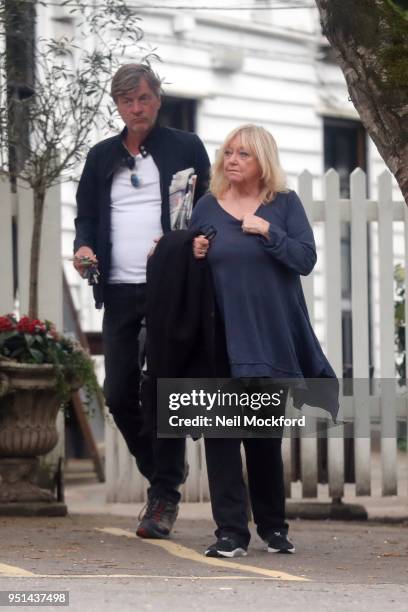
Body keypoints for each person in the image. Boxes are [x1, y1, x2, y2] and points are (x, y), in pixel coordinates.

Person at [73, 63, 210, 539]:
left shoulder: (186, 147)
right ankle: (163, 478)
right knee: (118, 392)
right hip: (119, 290)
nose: (136, 109)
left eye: (144, 99)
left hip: (170, 286)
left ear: (158, 99)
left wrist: (197, 244)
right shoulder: (101, 156)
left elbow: (205, 207)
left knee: (163, 390)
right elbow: (87, 218)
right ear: (118, 106)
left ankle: (162, 499)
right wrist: (84, 249)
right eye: (127, 101)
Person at [190, 124, 338, 558]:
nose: (232, 160)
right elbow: (190, 266)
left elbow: (305, 259)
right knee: (219, 437)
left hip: (267, 338)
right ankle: (230, 533)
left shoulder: (284, 205)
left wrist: (267, 232)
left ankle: (274, 528)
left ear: (263, 162)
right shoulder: (205, 207)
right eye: (228, 152)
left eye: (243, 154)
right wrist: (193, 251)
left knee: (261, 437)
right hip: (219, 337)